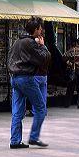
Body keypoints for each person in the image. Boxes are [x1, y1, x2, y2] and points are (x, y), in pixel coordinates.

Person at [8, 16, 51, 149]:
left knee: (17, 111)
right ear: (36, 30)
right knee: (41, 108)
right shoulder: (30, 43)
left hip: (14, 77)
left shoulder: (17, 42)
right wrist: (42, 46)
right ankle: (33, 137)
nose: (42, 31)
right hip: (26, 78)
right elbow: (45, 58)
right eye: (40, 28)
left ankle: (15, 140)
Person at [64, 38, 79, 108]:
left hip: (74, 70)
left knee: (70, 86)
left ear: (77, 43)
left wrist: (70, 63)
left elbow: (64, 56)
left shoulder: (73, 49)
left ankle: (67, 103)